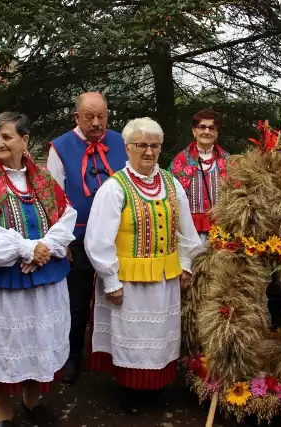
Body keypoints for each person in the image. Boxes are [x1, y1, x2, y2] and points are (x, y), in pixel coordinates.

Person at [0, 112, 75, 427]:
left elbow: (66, 215)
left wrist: (45, 247)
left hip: (41, 274)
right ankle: (3, 412)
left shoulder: (43, 179)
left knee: (36, 339)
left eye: (6, 137)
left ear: (25, 140)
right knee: (3, 344)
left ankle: (32, 402)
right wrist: (25, 248)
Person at [85, 117, 202, 414]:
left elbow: (186, 230)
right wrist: (110, 280)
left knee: (161, 334)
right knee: (133, 337)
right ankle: (131, 391)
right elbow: (98, 240)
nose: (148, 152)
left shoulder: (172, 183)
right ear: (127, 147)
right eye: (141, 145)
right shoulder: (114, 188)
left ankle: (158, 387)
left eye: (154, 146)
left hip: (164, 277)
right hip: (129, 281)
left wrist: (186, 264)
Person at [47, 92, 127, 383]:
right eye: (89, 116)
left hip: (118, 237)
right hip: (77, 238)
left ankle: (120, 357)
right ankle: (71, 356)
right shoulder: (59, 148)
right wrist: (62, 239)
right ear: (76, 117)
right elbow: (52, 198)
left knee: (119, 297)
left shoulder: (122, 141)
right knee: (76, 300)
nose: (96, 122)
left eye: (101, 116)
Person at [169, 108, 230, 242]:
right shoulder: (180, 161)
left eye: (211, 128)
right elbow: (170, 197)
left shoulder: (229, 162)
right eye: (202, 127)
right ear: (194, 131)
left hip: (222, 231)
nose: (207, 132)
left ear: (217, 133)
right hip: (188, 231)